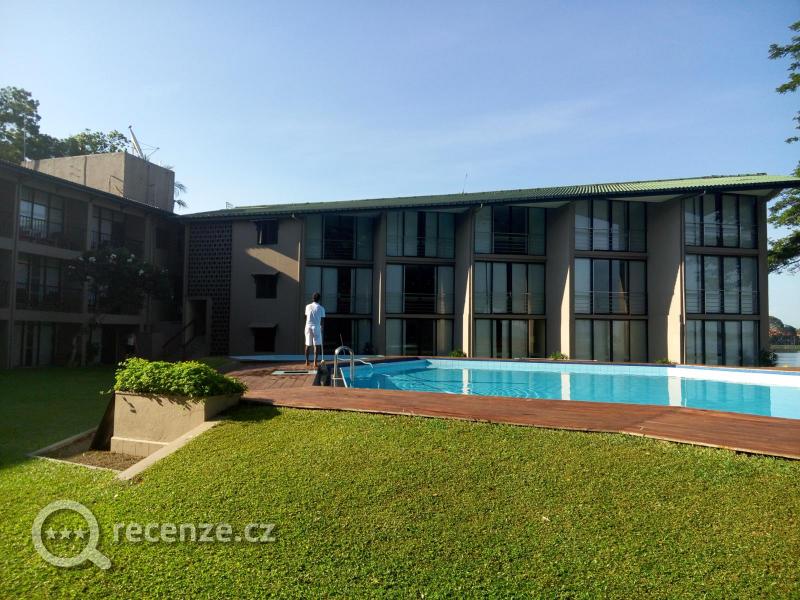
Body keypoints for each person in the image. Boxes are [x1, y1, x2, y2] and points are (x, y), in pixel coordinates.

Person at [304, 292, 326, 368]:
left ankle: (307, 361)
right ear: (319, 299)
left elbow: (306, 316)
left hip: (308, 326)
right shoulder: (321, 308)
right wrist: (321, 328)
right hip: (316, 327)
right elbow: (322, 320)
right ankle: (315, 363)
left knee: (307, 344)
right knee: (316, 345)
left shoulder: (307, 306)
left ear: (312, 298)